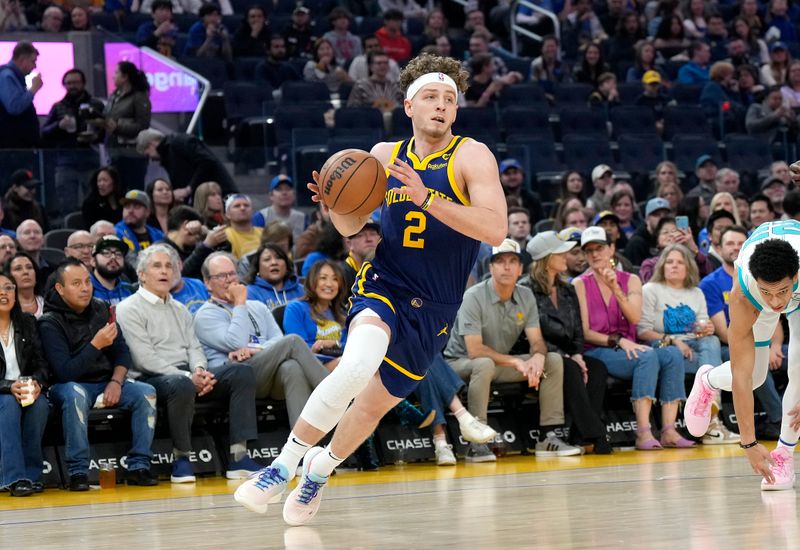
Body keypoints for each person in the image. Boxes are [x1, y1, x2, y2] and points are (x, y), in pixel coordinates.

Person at [234, 53, 507, 523]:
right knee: (357, 363)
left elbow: (495, 229)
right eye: (430, 97)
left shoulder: (471, 154)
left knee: (371, 407)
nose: (441, 105)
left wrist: (428, 198)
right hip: (385, 282)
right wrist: (335, 205)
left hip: (436, 308)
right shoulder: (383, 156)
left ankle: (320, 471)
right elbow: (351, 223)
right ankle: (282, 466)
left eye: (449, 99)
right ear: (409, 106)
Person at [116, 244, 262, 483]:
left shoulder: (180, 308)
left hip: (188, 374)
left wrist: (200, 371)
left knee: (240, 372)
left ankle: (239, 457)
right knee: (180, 384)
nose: (164, 271)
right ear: (141, 274)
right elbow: (144, 359)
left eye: (169, 266)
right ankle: (181, 459)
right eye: (156, 266)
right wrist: (188, 378)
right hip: (150, 379)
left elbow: (195, 348)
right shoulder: (128, 308)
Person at [685, 219, 800, 490]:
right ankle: (709, 380)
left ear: (795, 278)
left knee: (798, 370)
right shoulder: (743, 293)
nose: (775, 302)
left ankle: (784, 455)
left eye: (782, 291)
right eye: (767, 292)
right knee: (755, 376)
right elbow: (742, 375)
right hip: (754, 293)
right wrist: (748, 442)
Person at [446, 239, 580, 461]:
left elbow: (537, 340)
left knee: (553, 361)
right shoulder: (474, 296)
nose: (506, 266)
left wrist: (537, 356)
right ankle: (477, 442)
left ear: (520, 269)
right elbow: (474, 350)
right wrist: (516, 362)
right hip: (461, 363)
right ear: (491, 268)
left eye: (512, 261)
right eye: (500, 261)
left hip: (498, 364)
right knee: (483, 364)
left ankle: (548, 437)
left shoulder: (525, 295)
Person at [41, 259, 159, 491]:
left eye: (87, 281)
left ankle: (139, 465)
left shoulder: (102, 309)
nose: (85, 288)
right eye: (76, 283)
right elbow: (65, 372)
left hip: (106, 382)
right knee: (75, 394)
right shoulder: (49, 322)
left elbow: (123, 353)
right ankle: (78, 472)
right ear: (60, 289)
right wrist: (95, 344)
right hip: (69, 386)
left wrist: (116, 382)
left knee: (147, 393)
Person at [574, 227, 692, 450]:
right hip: (598, 348)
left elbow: (635, 317)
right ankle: (643, 431)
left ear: (611, 248)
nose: (594, 254)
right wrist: (618, 341)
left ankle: (669, 430)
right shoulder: (579, 283)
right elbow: (585, 331)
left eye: (599, 248)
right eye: (588, 251)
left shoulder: (630, 280)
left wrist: (615, 288)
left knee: (672, 354)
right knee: (646, 356)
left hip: (631, 346)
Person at [194, 252, 328, 429]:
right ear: (207, 283)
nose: (228, 280)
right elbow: (237, 343)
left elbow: (277, 339)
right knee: (293, 341)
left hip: (265, 371)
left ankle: (302, 445)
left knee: (292, 368)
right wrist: (240, 302)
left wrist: (258, 350)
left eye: (232, 273)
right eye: (220, 276)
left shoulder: (258, 306)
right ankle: (333, 394)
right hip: (235, 378)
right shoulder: (205, 315)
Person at [521, 232, 611, 454]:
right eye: (561, 251)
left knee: (597, 368)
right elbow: (530, 335)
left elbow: (578, 329)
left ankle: (579, 436)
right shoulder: (525, 289)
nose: (568, 255)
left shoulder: (567, 288)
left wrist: (578, 354)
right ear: (546, 257)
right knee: (569, 368)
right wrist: (568, 357)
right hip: (538, 357)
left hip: (568, 354)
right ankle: (596, 434)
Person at [699, 225, 784, 441]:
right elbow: (726, 331)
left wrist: (775, 346)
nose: (735, 247)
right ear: (717, 247)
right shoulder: (728, 284)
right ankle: (778, 419)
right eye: (730, 243)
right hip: (733, 340)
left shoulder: (774, 267)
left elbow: (780, 313)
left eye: (739, 243)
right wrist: (749, 442)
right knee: (754, 374)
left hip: (767, 325)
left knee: (791, 358)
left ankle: (785, 432)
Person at [0, 267, 49, 497]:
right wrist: (8, 386)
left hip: (25, 388)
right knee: (9, 404)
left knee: (38, 404)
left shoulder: (28, 322)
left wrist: (38, 382)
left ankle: (32, 476)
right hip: (4, 392)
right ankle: (14, 477)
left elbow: (41, 363)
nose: (3, 293)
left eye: (8, 287)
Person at [40, 68, 103, 214]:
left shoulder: (96, 104)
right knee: (67, 206)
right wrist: (59, 125)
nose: (72, 86)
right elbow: (44, 132)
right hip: (66, 162)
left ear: (83, 83)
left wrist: (96, 134)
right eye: (69, 83)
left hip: (90, 160)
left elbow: (105, 130)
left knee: (93, 204)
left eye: (76, 82)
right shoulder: (58, 106)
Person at [136, 128, 238, 199]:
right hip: (207, 198)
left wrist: (188, 189)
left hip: (222, 194)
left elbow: (207, 161)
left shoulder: (180, 142)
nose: (151, 159)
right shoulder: (168, 155)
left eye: (148, 154)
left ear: (151, 144)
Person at [98, 62, 152, 191]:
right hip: (114, 152)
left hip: (132, 154)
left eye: (116, 73)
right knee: (117, 190)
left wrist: (118, 127)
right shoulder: (114, 96)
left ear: (125, 76)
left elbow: (143, 125)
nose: (113, 76)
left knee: (133, 189)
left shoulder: (139, 97)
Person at [161, 205, 228, 279]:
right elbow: (180, 274)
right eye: (198, 231)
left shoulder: (191, 248)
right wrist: (206, 245)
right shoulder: (160, 249)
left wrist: (207, 232)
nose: (198, 236)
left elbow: (226, 251)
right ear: (185, 225)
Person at [0, 42, 41, 148]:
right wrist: (33, 90)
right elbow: (14, 107)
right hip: (11, 146)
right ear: (23, 60)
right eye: (33, 61)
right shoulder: (7, 76)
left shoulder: (13, 76)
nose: (35, 66)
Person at [245, 243, 304, 310]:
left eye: (278, 258)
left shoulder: (302, 290)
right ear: (258, 268)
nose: (274, 262)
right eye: (267, 259)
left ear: (287, 266)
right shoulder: (249, 293)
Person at [252, 175, 305, 241]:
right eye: (279, 189)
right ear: (271, 195)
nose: (284, 193)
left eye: (288, 189)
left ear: (294, 194)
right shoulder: (261, 217)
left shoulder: (302, 218)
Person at [624, 197, 672, 267]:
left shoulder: (672, 239)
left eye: (665, 215)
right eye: (657, 215)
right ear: (647, 219)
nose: (662, 218)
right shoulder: (637, 244)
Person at [115, 189, 165, 255]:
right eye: (127, 206)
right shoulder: (116, 233)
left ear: (147, 212)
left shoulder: (159, 236)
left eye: (136, 207)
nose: (130, 211)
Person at [90, 236, 134, 305]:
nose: (113, 257)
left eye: (118, 254)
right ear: (93, 261)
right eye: (106, 253)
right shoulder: (85, 291)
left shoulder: (131, 291)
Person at [499, 158, 544, 226]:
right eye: (507, 174)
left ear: (522, 175)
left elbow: (540, 223)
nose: (512, 177)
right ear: (500, 177)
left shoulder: (533, 198)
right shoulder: (496, 199)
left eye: (515, 172)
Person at [224, 194, 262, 260]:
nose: (242, 208)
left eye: (246, 205)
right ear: (228, 214)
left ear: (252, 211)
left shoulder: (264, 233)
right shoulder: (224, 236)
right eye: (237, 206)